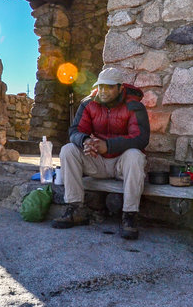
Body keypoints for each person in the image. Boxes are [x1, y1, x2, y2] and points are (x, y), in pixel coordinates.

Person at [52, 67, 150, 239]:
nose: (104, 91)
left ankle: (129, 216)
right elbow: (75, 130)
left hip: (121, 164)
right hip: (96, 161)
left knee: (135, 155)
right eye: (101, 86)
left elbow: (141, 138)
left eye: (109, 87)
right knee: (68, 150)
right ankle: (74, 209)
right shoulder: (88, 104)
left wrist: (109, 146)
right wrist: (85, 141)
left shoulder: (134, 106)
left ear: (120, 88)